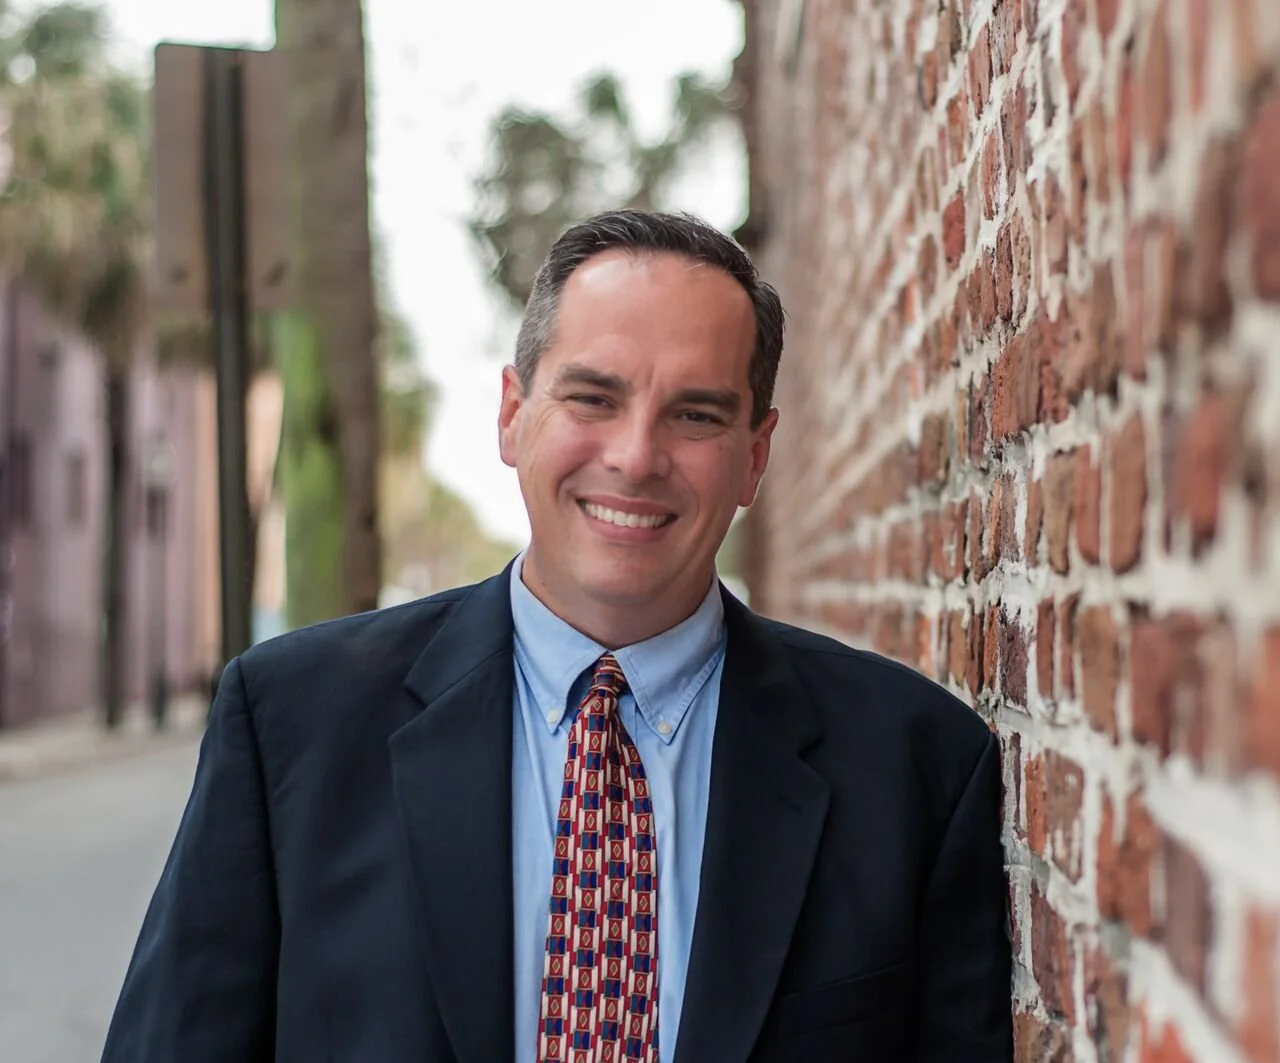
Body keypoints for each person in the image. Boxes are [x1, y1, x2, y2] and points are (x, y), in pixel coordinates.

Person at [100, 210, 1012, 1063]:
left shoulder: (915, 767)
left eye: (696, 414)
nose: (635, 455)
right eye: (592, 397)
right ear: (512, 413)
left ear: (756, 455)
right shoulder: (292, 724)